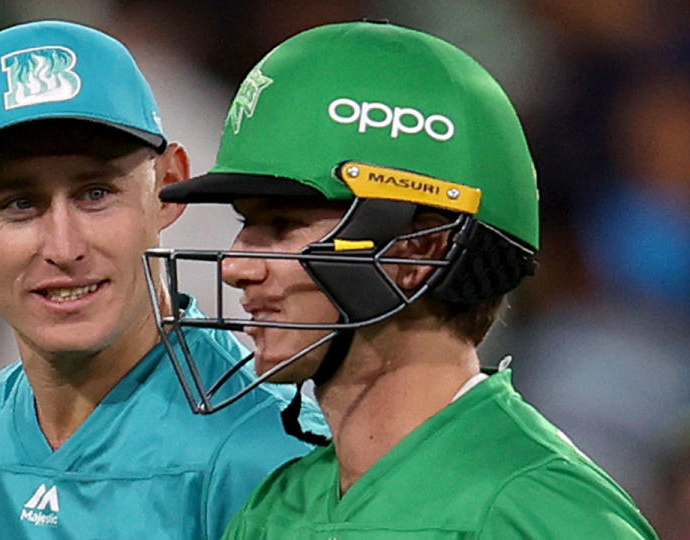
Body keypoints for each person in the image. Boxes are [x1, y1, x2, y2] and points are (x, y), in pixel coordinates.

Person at [147, 21, 660, 538]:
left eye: (282, 226)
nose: (236, 267)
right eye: (244, 224)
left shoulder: (540, 512)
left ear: (416, 248)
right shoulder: (276, 507)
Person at [0, 20, 324, 539]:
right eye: (19, 204)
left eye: (96, 194)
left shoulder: (267, 454)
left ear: (168, 189)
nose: (64, 248)